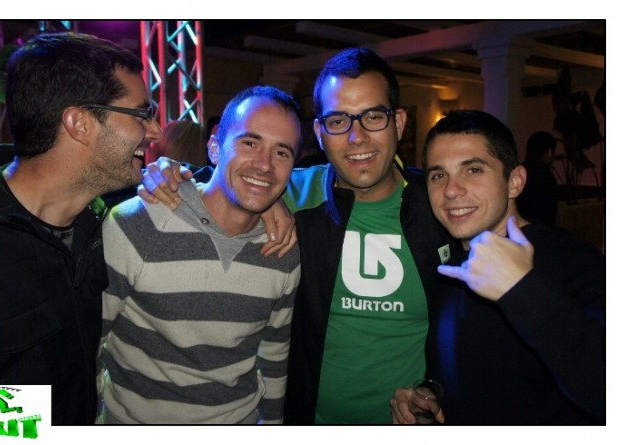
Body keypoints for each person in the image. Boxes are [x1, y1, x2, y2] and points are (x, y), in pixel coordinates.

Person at [139, 48, 452, 424]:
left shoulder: (440, 207)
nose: (357, 137)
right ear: (319, 133)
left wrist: (436, 390)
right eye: (338, 120)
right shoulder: (294, 192)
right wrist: (168, 172)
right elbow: (229, 180)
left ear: (398, 123)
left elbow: (472, 331)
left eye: (373, 117)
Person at [97, 86, 302, 424]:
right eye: (249, 143)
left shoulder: (283, 248)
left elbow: (274, 355)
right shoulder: (137, 224)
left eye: (282, 152)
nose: (265, 165)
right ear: (215, 146)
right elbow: (90, 344)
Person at [390, 110, 605, 425]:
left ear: (514, 182)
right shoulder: (450, 268)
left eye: (473, 170)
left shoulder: (573, 262)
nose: (451, 190)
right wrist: (430, 397)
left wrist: (523, 289)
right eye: (438, 175)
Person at [0, 32, 163, 425]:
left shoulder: (105, 217)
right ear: (80, 123)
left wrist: (264, 204)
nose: (155, 131)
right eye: (141, 115)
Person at [516, 130, 559, 224]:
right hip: (540, 228)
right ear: (549, 152)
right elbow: (550, 212)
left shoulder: (517, 172)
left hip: (517, 226)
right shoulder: (546, 176)